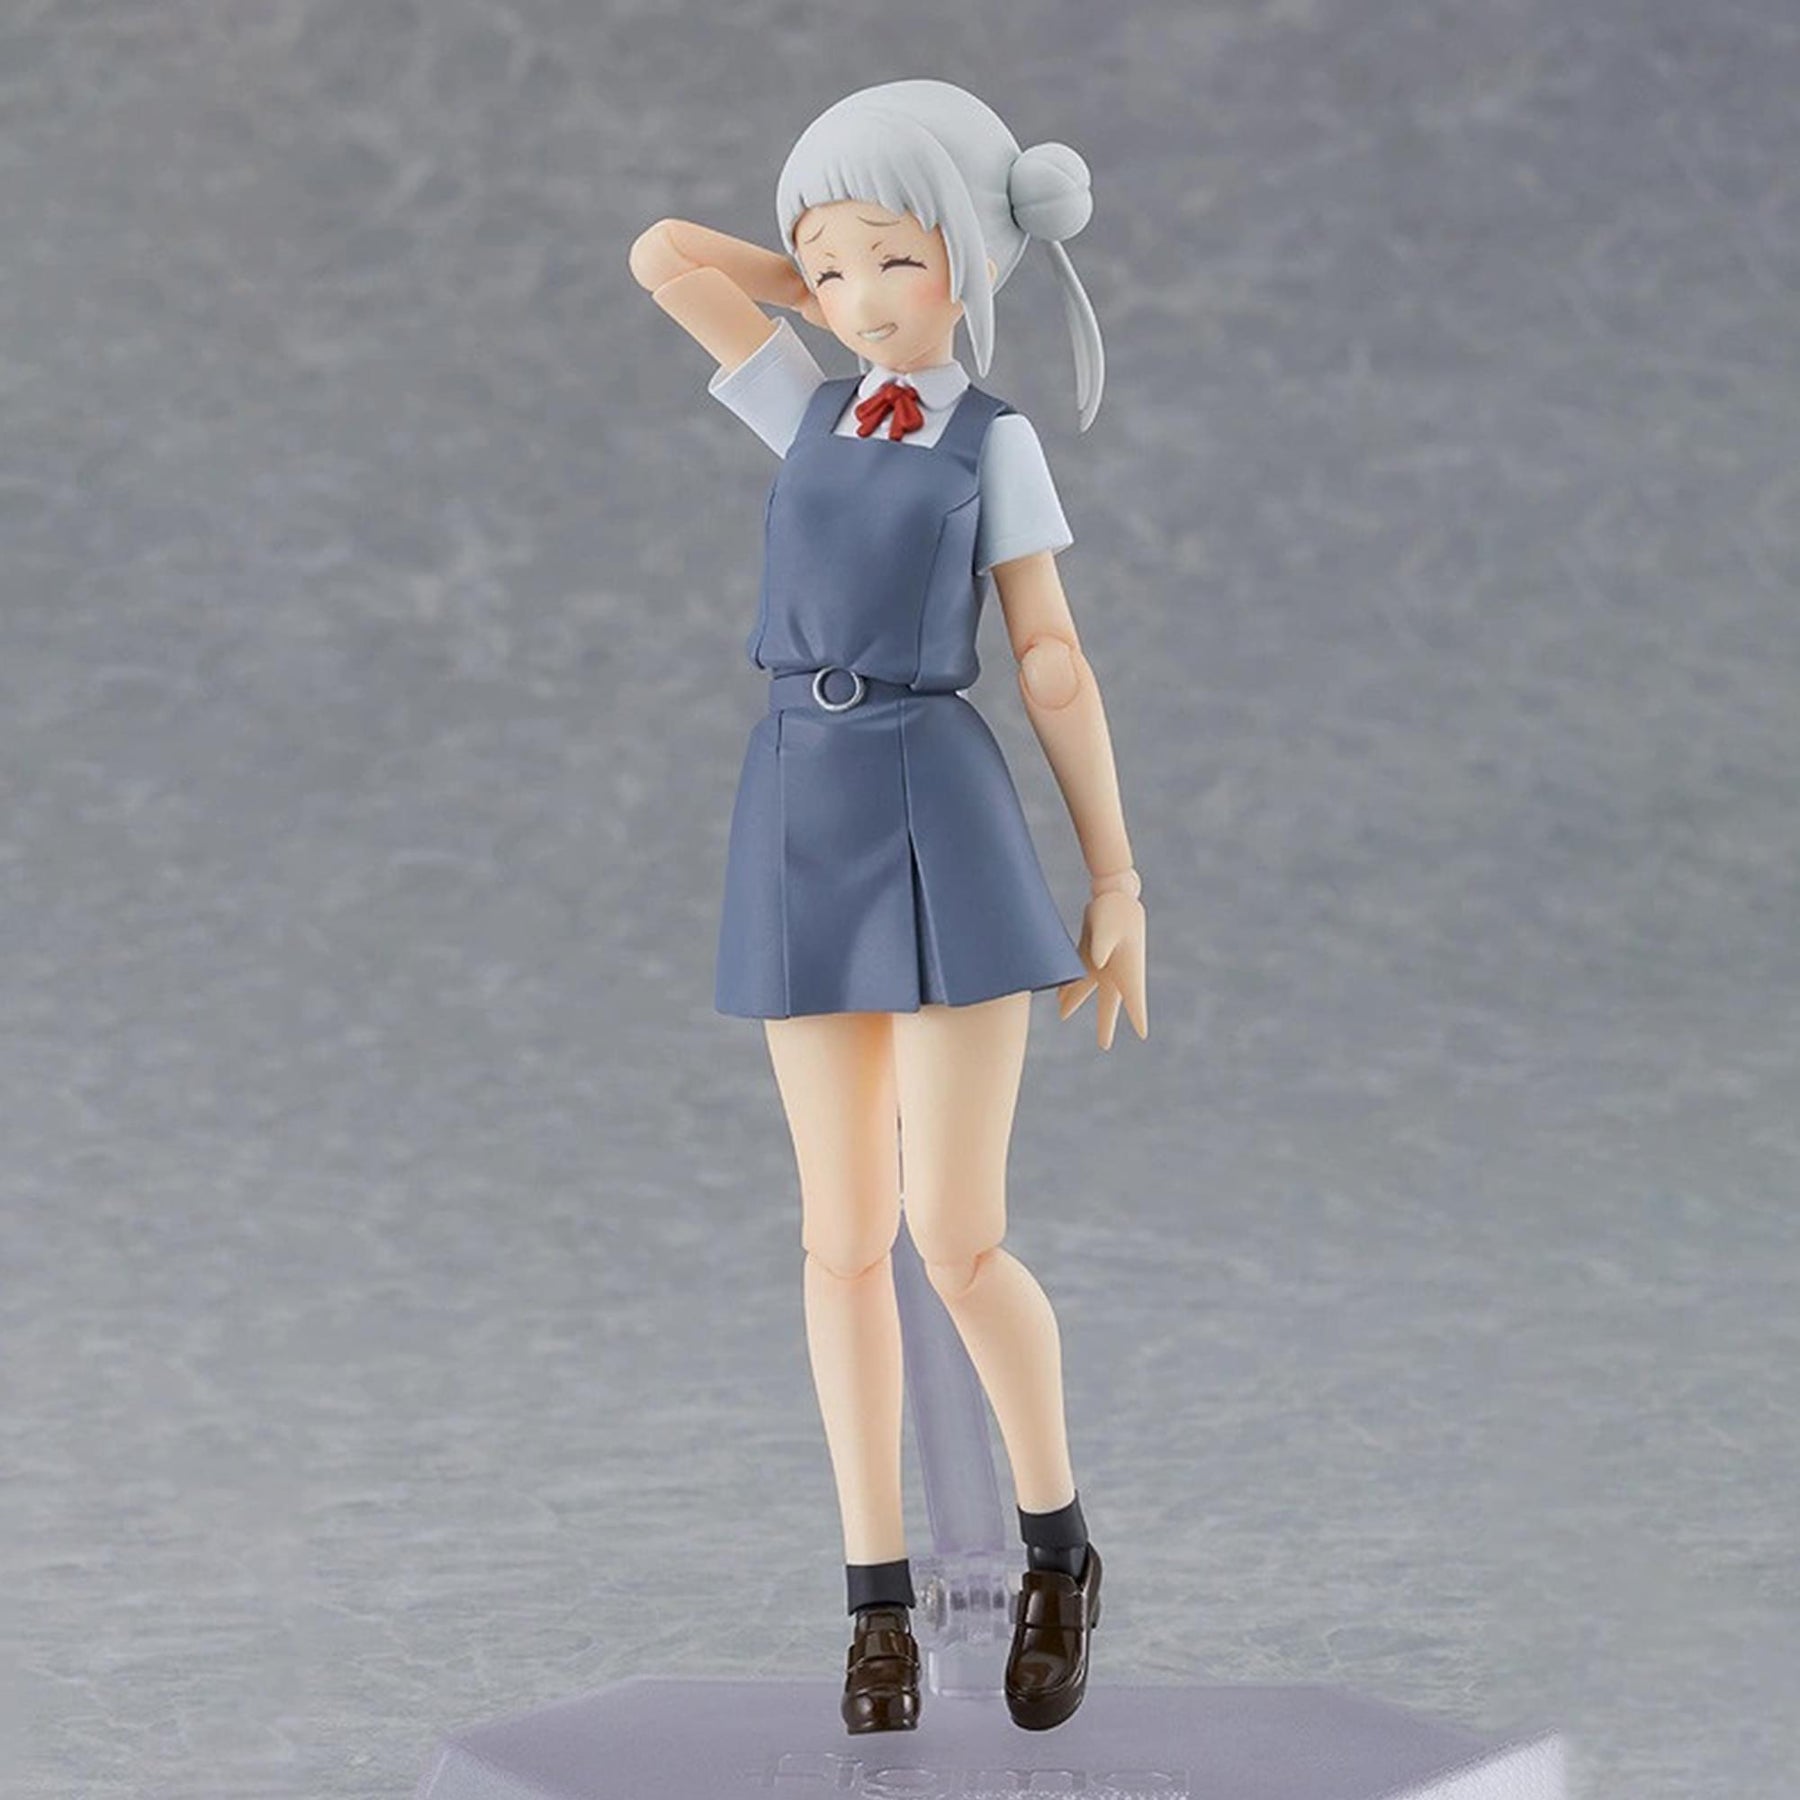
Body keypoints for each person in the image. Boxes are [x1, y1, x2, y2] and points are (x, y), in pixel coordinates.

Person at [628, 79, 1146, 1735]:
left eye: (894, 261)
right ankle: (875, 1604)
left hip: (938, 802)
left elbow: (1051, 660)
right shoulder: (805, 405)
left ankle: (1057, 1545)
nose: (855, 298)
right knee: (838, 1241)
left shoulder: (993, 444)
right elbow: (662, 257)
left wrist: (1117, 875)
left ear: (969, 266)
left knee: (955, 1236)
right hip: (798, 804)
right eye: (828, 265)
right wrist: (826, 271)